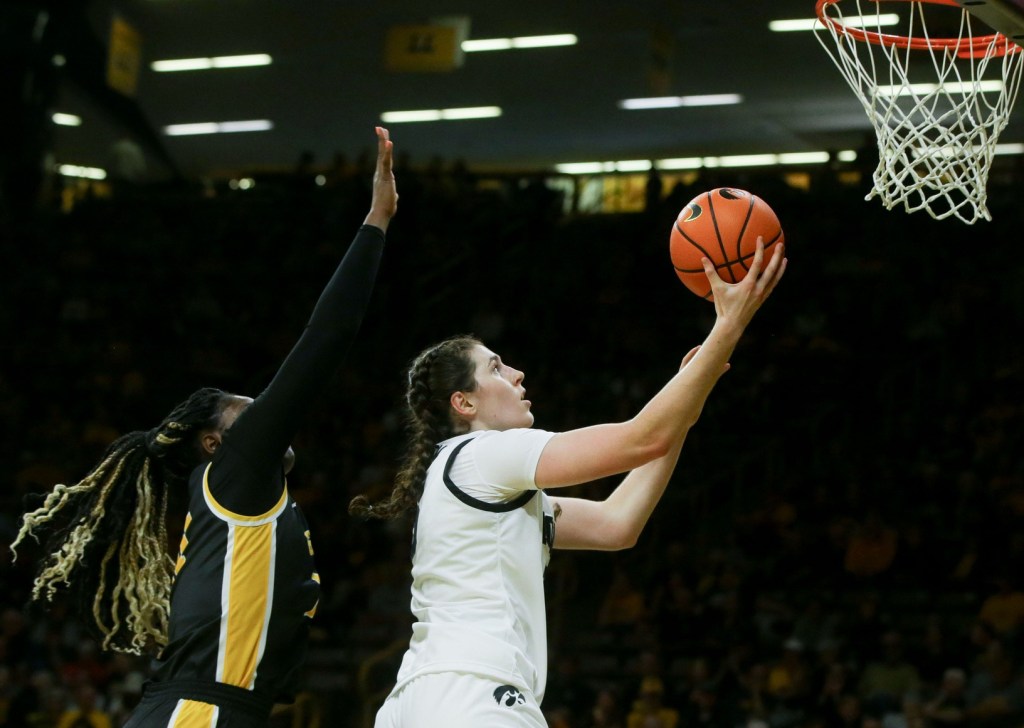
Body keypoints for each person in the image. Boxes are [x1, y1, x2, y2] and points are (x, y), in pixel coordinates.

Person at [10, 126, 399, 726]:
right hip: (200, 713)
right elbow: (326, 340)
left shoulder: (243, 496)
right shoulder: (235, 473)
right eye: (247, 407)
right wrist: (376, 220)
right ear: (216, 442)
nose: (265, 411)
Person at [353, 238, 787, 727]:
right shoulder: (486, 455)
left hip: (416, 701)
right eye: (495, 367)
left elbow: (616, 524)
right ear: (464, 403)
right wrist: (727, 328)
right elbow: (639, 439)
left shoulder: (467, 478)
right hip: (473, 696)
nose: (517, 374)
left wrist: (685, 410)